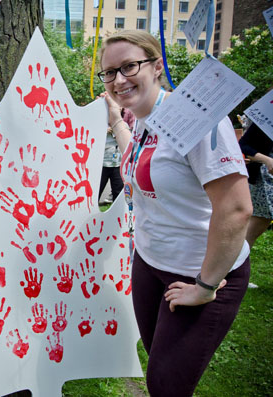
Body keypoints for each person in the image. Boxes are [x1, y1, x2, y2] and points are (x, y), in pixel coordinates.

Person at [98, 30, 252, 396]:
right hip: (150, 264)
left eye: (129, 66)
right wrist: (117, 121)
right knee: (161, 367)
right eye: (109, 72)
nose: (119, 79)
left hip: (203, 274)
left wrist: (205, 286)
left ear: (155, 67)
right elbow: (140, 159)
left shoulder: (196, 119)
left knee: (166, 385)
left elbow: (236, 209)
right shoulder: (142, 119)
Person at [239, 122, 273, 249]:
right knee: (257, 224)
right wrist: (267, 160)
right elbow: (243, 145)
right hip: (265, 181)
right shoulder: (267, 116)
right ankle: (235, 262)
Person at [99, 108, 135, 203]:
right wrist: (103, 131)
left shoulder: (123, 125)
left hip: (117, 164)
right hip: (102, 164)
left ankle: (118, 216)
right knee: (97, 190)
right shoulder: (99, 124)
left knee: (118, 192)